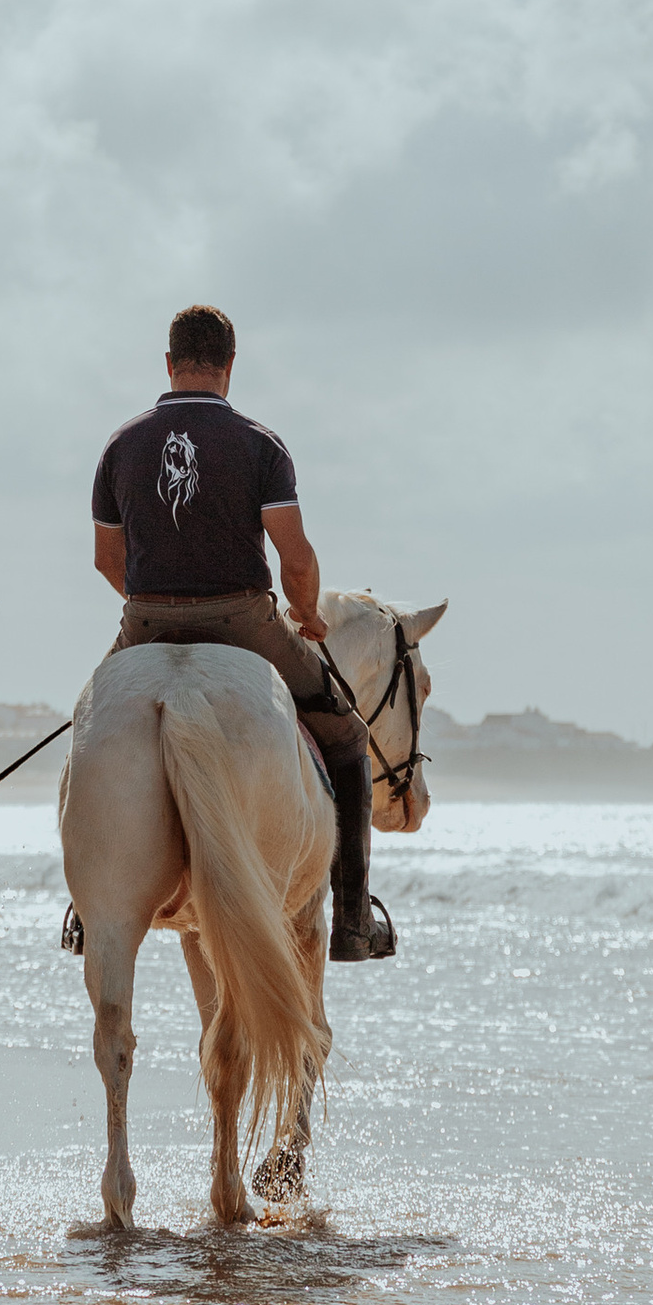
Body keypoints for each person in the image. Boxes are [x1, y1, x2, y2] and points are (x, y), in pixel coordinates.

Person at [86, 303, 392, 960]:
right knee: (345, 733)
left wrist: (157, 609)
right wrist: (307, 615)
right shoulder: (260, 443)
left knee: (92, 725)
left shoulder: (121, 444)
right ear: (229, 366)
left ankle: (89, 903)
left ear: (169, 364)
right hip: (245, 622)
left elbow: (107, 561)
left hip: (144, 621)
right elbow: (297, 559)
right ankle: (352, 921)